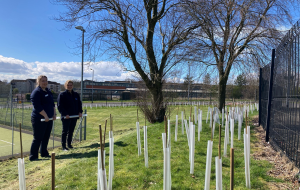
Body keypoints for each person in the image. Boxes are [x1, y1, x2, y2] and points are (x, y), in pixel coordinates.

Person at [29, 75, 56, 161]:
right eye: (42, 81)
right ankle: (33, 156)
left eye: (46, 81)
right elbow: (37, 107)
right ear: (38, 82)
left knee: (46, 136)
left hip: (49, 119)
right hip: (39, 119)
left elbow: (52, 104)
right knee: (38, 138)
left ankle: (44, 153)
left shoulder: (48, 91)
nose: (45, 82)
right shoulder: (36, 92)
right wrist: (45, 116)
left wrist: (54, 114)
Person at [57, 80, 83, 151]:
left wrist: (80, 112)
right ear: (65, 86)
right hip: (66, 117)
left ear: (72, 86)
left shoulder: (76, 94)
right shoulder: (62, 95)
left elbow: (79, 105)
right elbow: (60, 106)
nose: (69, 86)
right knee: (65, 131)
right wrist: (65, 114)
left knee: (71, 131)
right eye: (68, 85)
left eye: (70, 85)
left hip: (74, 117)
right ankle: (63, 146)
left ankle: (69, 144)